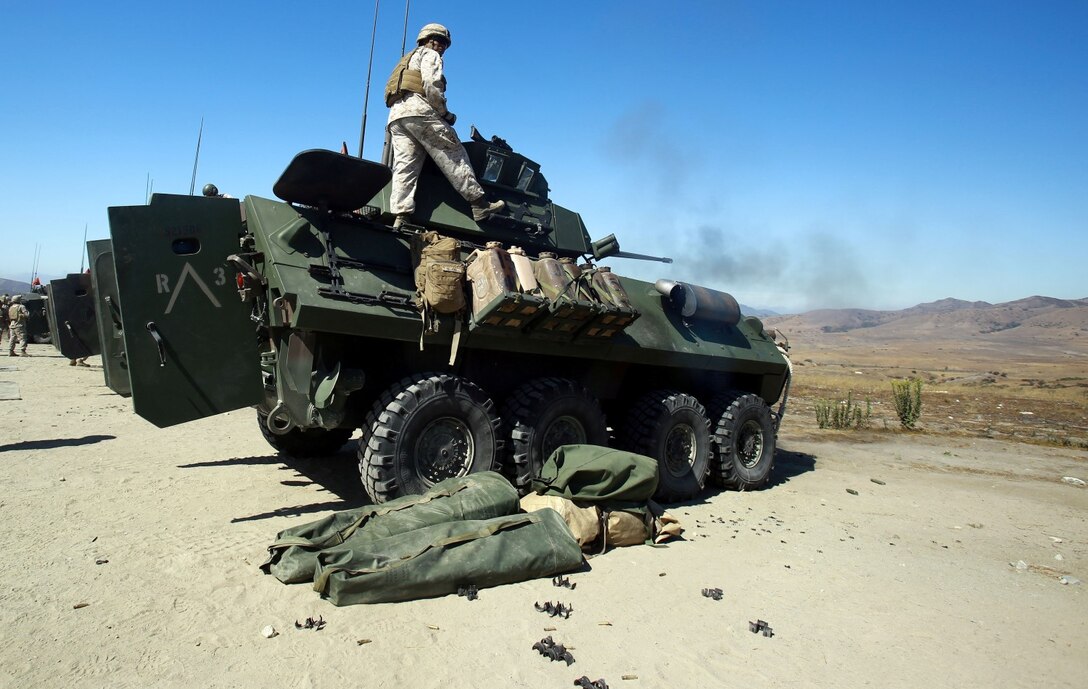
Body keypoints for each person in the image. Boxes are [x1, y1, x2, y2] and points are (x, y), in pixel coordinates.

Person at [385, 22, 504, 229]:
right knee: (453, 154)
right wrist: (444, 113)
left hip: (397, 117)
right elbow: (432, 85)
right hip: (420, 111)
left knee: (405, 167)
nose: (442, 47)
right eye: (440, 42)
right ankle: (479, 204)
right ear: (429, 40)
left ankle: (401, 216)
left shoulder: (407, 60)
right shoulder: (430, 55)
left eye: (444, 44)